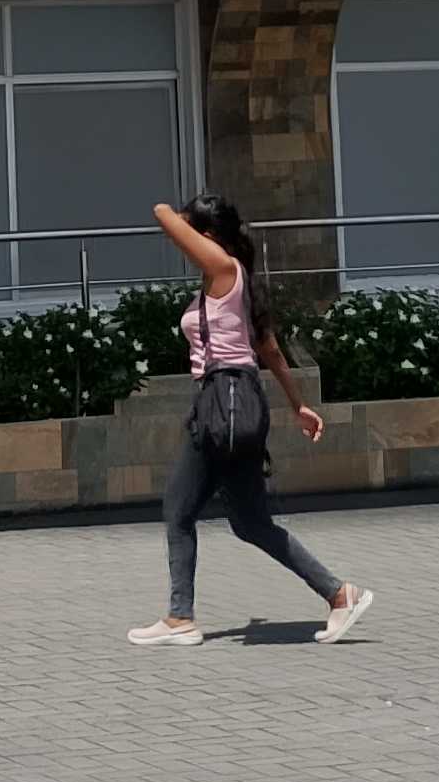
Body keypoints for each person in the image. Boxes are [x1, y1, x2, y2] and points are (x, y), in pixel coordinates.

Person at [127, 195, 372, 648]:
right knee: (250, 523)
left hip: (224, 402)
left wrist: (174, 215)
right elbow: (270, 351)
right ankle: (339, 594)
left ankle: (181, 618)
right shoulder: (233, 282)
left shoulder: (225, 270)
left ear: (209, 237)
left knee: (179, 511)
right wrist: (299, 405)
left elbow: (160, 212)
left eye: (193, 231)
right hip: (234, 402)